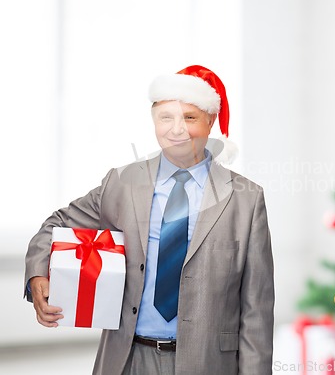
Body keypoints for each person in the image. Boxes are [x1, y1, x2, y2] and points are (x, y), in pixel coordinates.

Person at [24, 65, 275, 375]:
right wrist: (37, 273)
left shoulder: (246, 198)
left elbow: (257, 313)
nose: (176, 129)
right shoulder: (123, 183)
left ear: (211, 121)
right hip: (128, 358)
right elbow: (56, 224)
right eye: (166, 117)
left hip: (207, 364)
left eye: (190, 118)